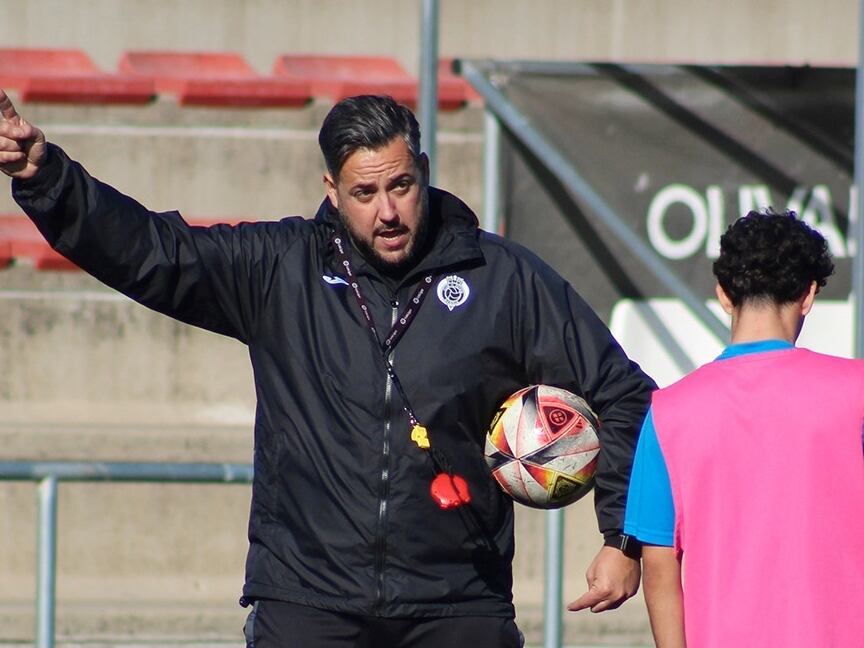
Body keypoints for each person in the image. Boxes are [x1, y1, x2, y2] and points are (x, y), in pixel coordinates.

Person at [1, 89, 654, 647]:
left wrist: (622, 537)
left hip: (458, 601)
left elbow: (624, 392)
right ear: (332, 191)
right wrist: (44, 176)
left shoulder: (502, 279)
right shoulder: (279, 268)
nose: (387, 211)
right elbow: (152, 252)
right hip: (307, 600)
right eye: (364, 193)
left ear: (424, 172)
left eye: (401, 186)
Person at [624, 209, 864, 647]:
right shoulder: (857, 392)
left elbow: (659, 568)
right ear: (808, 294)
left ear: (723, 294)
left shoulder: (667, 412)